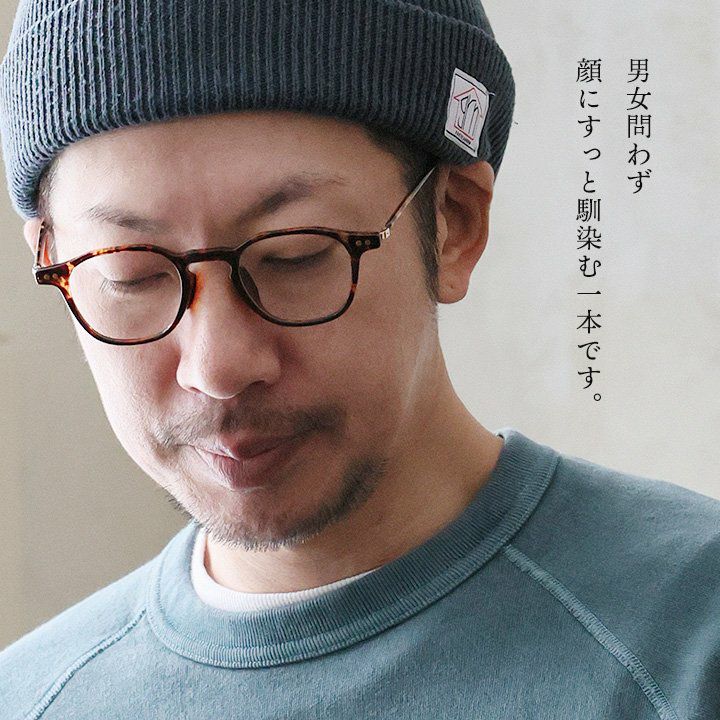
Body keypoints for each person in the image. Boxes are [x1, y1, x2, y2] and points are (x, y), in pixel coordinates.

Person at [0, 1, 717, 718]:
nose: (216, 367)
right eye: (131, 276)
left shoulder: (689, 637)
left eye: (295, 255)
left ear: (455, 223)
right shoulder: (32, 698)